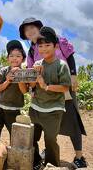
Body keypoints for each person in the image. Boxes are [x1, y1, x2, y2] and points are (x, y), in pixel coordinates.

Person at [19, 18, 87, 168]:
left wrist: (74, 75)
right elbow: (32, 74)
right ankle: (47, 151)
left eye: (32, 27)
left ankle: (79, 156)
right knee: (45, 125)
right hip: (43, 94)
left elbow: (69, 56)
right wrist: (33, 87)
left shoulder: (57, 39)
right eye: (26, 30)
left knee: (71, 118)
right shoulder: (31, 50)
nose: (30, 31)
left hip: (63, 83)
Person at [29, 26, 71, 169]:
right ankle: (34, 162)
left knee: (51, 140)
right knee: (31, 138)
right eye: (40, 46)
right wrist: (34, 75)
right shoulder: (37, 65)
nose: (44, 49)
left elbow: (65, 87)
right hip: (35, 107)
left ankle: (52, 165)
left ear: (56, 46)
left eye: (47, 45)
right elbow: (32, 85)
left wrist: (46, 86)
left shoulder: (61, 65)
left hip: (54, 109)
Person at [0, 40, 27, 144]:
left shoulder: (25, 73)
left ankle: (13, 154)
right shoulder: (3, 71)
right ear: (7, 58)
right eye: (11, 56)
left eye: (18, 56)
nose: (14, 58)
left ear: (23, 59)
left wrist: (19, 78)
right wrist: (8, 80)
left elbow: (24, 91)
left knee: (14, 132)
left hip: (14, 108)